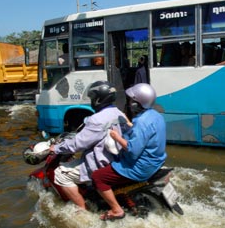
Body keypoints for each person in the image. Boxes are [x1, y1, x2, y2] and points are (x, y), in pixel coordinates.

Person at [91, 83, 167, 220]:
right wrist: (130, 125)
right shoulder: (156, 115)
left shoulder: (141, 122)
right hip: (155, 162)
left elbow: (132, 151)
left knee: (98, 177)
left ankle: (116, 210)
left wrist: (117, 137)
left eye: (132, 101)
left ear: (137, 104)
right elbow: (147, 136)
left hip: (140, 167)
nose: (129, 103)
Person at [49, 80, 128, 210]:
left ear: (99, 98)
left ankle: (82, 210)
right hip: (118, 160)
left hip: (101, 163)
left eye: (93, 97)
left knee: (60, 174)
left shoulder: (97, 119)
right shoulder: (119, 113)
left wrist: (56, 148)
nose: (91, 100)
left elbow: (78, 144)